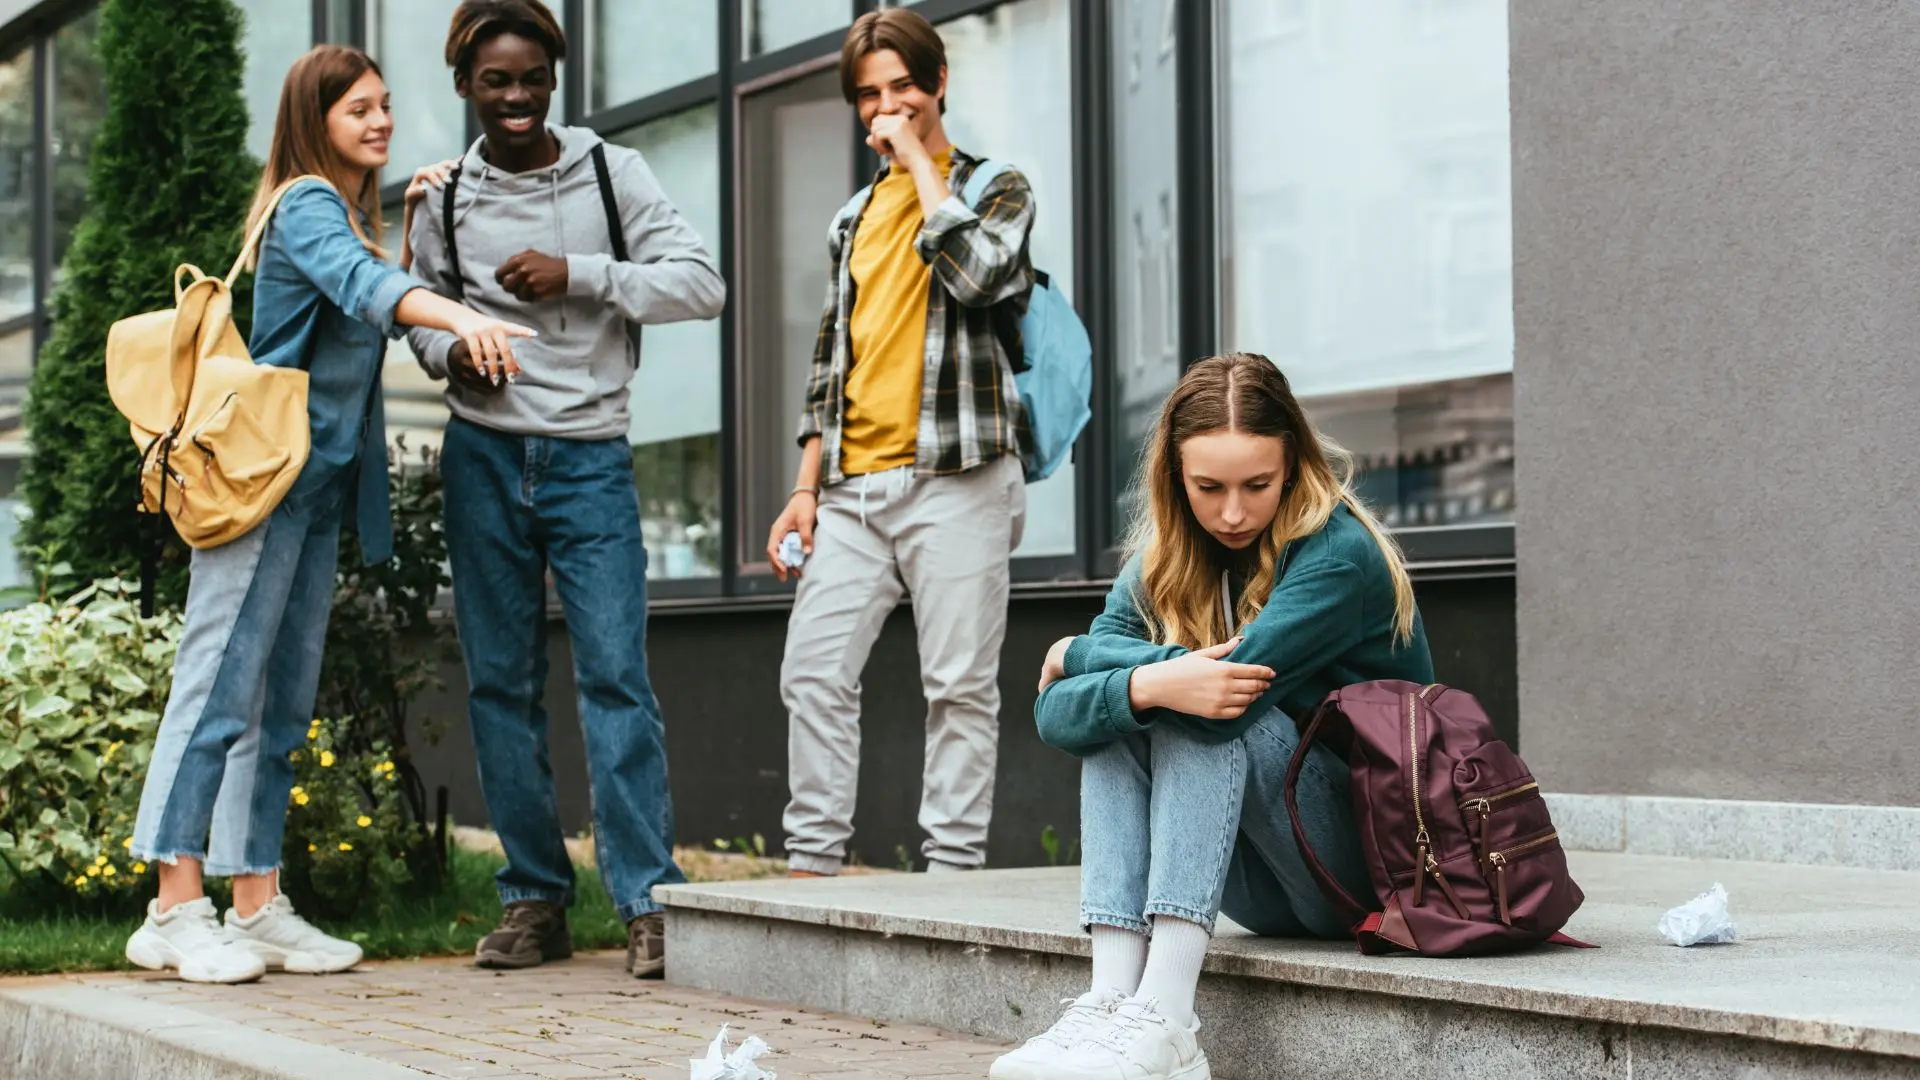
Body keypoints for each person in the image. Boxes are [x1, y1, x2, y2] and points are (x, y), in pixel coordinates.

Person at [125, 45, 535, 985]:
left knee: (276, 705)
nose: (382, 121)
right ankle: (173, 903)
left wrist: (414, 219)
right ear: (317, 122)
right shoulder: (306, 203)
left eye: (386, 106)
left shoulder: (342, 214)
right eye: (359, 109)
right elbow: (369, 294)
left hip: (307, 497)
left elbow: (361, 286)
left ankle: (256, 901)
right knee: (218, 689)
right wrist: (456, 317)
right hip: (258, 495)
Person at [993, 354, 1435, 1080]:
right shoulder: (1167, 555)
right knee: (1142, 706)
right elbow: (1056, 720)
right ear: (1176, 478)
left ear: (1292, 467)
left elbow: (1220, 709)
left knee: (1195, 708)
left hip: (1367, 872)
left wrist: (1074, 651)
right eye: (1209, 488)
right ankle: (1109, 1003)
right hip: (1266, 883)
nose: (1233, 512)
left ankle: (1166, 1018)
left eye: (1257, 485)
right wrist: (1143, 684)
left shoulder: (1338, 555)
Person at [402, 0, 725, 978]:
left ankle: (645, 902)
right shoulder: (441, 198)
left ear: (554, 79)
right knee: (501, 685)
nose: (514, 97)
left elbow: (701, 283)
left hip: (589, 459)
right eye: (495, 80)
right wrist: (452, 357)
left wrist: (579, 273)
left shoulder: (607, 173)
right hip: (484, 459)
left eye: (531, 78)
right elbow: (417, 317)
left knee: (615, 679)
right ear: (465, 85)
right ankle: (535, 901)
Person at [768, 6, 1033, 879]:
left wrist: (923, 164)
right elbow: (828, 361)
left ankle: (951, 880)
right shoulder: (852, 217)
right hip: (850, 489)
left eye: (902, 90)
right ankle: (813, 867)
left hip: (958, 476)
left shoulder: (997, 189)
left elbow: (982, 276)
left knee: (957, 688)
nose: (885, 110)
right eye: (869, 96)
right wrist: (805, 486)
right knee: (812, 672)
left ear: (937, 85)